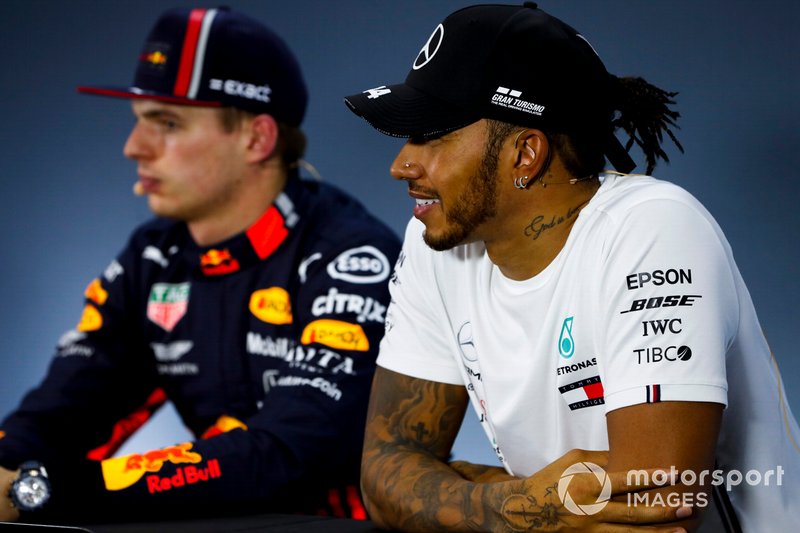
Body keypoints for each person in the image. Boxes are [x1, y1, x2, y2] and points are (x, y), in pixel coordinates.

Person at [344, 3, 800, 532]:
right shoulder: (436, 242)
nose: (401, 165)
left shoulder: (653, 229)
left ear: (525, 154)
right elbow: (381, 476)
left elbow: (660, 513)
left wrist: (463, 493)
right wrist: (529, 506)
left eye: (431, 135)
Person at [0, 6, 400, 525]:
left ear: (257, 138)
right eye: (138, 121)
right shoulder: (153, 257)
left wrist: (38, 491)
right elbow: (60, 413)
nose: (132, 148)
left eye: (167, 123)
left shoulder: (352, 258)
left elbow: (285, 459)